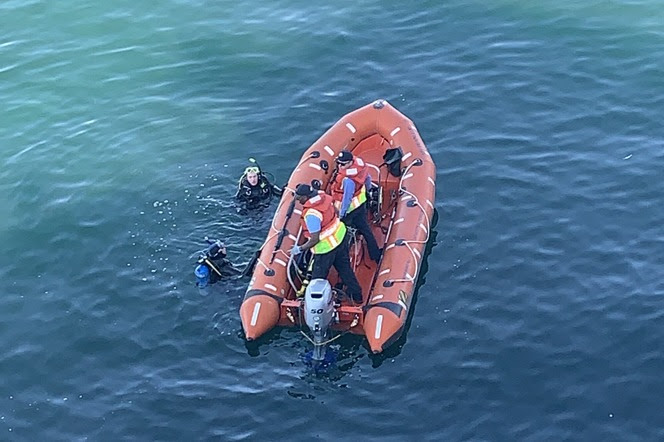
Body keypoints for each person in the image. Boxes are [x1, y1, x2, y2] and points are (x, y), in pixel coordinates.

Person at [290, 184, 363, 303]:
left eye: (299, 198)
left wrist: (300, 249)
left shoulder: (312, 214)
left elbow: (315, 239)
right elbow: (337, 212)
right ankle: (357, 296)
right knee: (345, 270)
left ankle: (312, 303)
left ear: (304, 198)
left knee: (317, 279)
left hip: (325, 250)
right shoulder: (323, 198)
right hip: (340, 238)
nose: (298, 200)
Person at [330, 150, 382, 263]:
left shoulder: (348, 180)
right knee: (366, 229)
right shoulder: (359, 169)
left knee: (344, 234)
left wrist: (342, 214)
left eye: (343, 164)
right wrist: (368, 192)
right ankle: (375, 254)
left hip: (348, 210)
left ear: (349, 163)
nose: (340, 166)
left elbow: (347, 199)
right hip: (360, 204)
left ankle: (346, 258)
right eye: (339, 163)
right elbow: (367, 179)